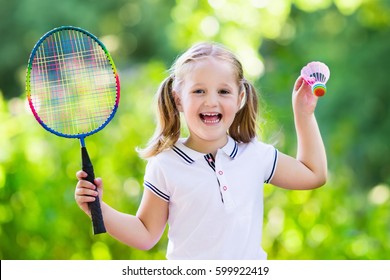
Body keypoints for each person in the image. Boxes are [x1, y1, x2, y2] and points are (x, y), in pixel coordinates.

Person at [74, 42, 327, 260]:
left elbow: (313, 174)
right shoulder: (165, 164)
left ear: (239, 99)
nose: (211, 101)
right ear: (178, 99)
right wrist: (99, 209)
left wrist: (303, 114)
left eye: (223, 91)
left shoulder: (255, 155)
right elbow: (145, 234)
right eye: (198, 91)